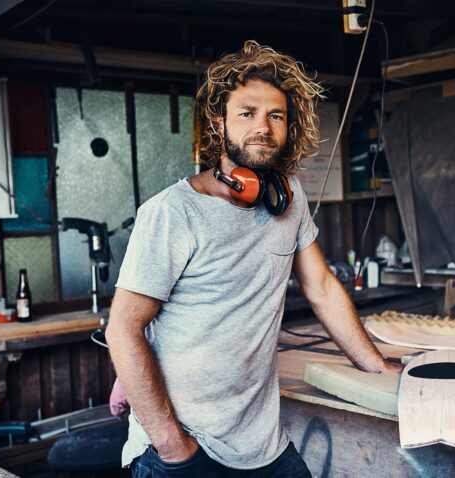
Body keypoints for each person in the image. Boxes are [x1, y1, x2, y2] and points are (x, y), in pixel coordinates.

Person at [105, 40, 401, 478]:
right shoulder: (173, 213)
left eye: (275, 116)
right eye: (247, 113)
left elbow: (320, 288)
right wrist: (173, 448)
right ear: (219, 123)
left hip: (263, 444)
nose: (262, 126)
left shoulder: (291, 198)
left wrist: (376, 365)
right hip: (186, 447)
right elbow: (123, 329)